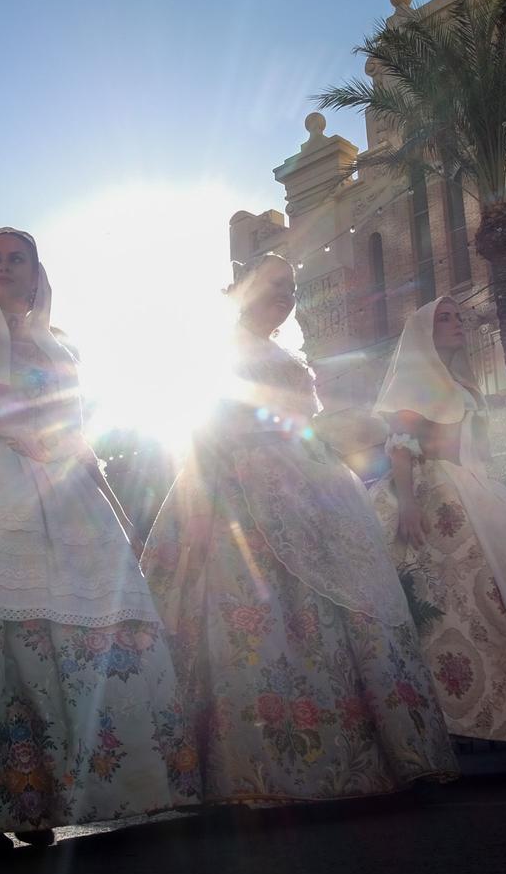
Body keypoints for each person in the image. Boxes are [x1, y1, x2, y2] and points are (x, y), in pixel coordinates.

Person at [0, 228, 197, 849]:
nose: (1, 267)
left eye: (13, 257)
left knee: (68, 641)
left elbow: (75, 435)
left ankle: (44, 795)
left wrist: (109, 505)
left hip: (60, 491)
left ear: (35, 269)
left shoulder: (59, 348)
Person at [140, 255, 455, 806]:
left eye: (291, 286)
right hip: (241, 491)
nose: (285, 294)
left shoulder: (285, 353)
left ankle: (367, 754)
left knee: (338, 610)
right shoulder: (220, 349)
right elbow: (203, 428)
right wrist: (201, 502)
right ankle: (257, 768)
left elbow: (300, 423)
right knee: (253, 614)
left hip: (310, 489)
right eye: (272, 285)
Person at [371, 298, 506, 747]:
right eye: (444, 318)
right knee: (459, 593)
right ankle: (451, 718)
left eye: (458, 317)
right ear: (423, 332)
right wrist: (409, 503)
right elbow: (401, 445)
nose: (457, 324)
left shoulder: (464, 383)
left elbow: (482, 447)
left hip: (481, 489)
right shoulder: (416, 379)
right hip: (436, 491)